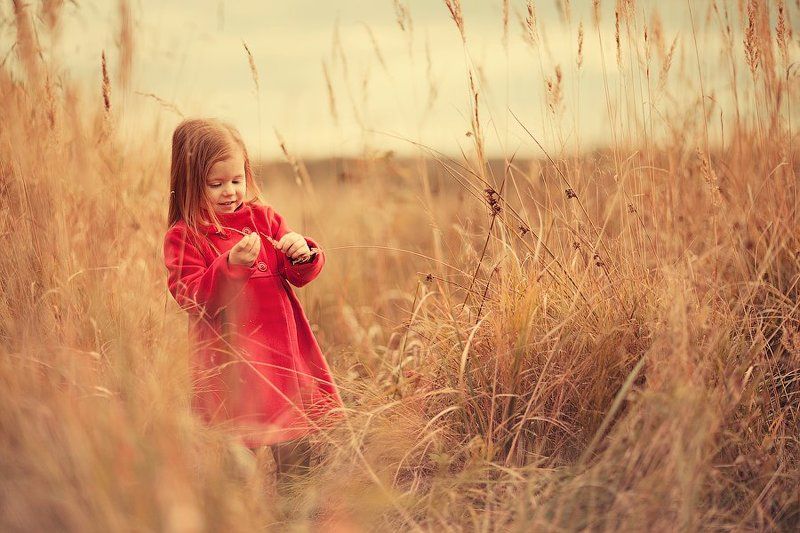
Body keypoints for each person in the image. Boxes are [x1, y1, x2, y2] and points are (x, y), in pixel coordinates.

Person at [162, 117, 343, 488]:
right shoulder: (185, 237)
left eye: (236, 180)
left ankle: (295, 516)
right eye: (216, 184)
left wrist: (302, 253)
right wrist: (229, 267)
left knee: (297, 458)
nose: (230, 191)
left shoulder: (264, 218)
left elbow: (298, 274)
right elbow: (190, 296)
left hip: (281, 363)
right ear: (188, 183)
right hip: (230, 368)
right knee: (233, 465)